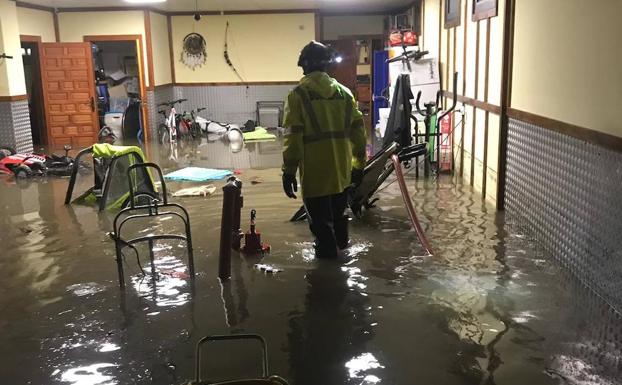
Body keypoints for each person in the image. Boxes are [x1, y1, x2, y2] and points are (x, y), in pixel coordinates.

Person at [282, 41, 367, 259]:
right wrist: (358, 165)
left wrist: (289, 171)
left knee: (321, 228)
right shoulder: (346, 94)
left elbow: (293, 137)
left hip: (316, 175)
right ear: (328, 66)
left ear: (304, 66)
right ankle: (345, 269)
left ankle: (328, 279)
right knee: (339, 220)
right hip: (341, 173)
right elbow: (359, 134)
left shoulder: (298, 96)